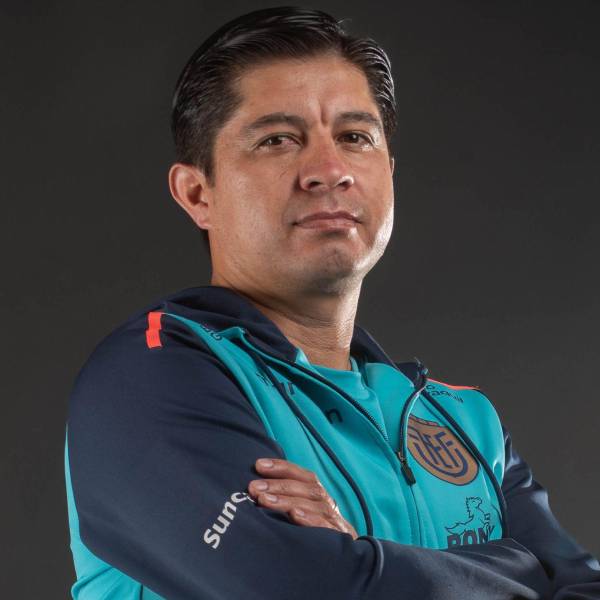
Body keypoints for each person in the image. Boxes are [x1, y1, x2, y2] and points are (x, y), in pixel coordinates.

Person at [64, 6, 600, 599]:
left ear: (389, 172)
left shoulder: (463, 420)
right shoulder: (148, 377)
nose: (329, 170)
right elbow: (303, 588)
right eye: (277, 140)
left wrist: (361, 560)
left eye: (354, 137)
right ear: (197, 193)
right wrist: (524, 572)